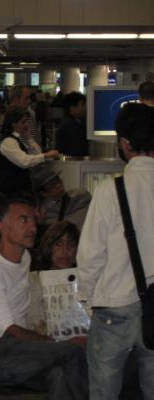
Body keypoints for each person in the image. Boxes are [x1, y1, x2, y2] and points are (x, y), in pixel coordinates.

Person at [0, 195, 88, 398]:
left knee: (58, 375)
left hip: (20, 352)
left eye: (33, 220)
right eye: (24, 220)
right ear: (2, 227)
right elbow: (10, 330)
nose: (32, 227)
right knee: (73, 351)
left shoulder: (25, 258)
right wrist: (57, 342)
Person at [77, 102, 154, 400]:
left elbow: (90, 255)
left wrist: (87, 299)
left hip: (114, 307)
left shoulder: (111, 190)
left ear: (124, 144)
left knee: (104, 391)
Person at [0, 107, 59, 195]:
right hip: (11, 191)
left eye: (27, 121)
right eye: (23, 122)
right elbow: (24, 161)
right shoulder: (8, 141)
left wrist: (29, 138)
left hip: (21, 188)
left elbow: (37, 153)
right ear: (14, 124)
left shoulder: (19, 139)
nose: (27, 125)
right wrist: (47, 155)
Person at [31, 165, 91, 230]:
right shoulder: (43, 214)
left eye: (58, 181)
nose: (58, 186)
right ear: (43, 193)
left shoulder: (81, 196)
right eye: (52, 185)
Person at [56, 92, 88, 157]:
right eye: (82, 104)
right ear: (72, 107)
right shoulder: (69, 125)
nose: (85, 108)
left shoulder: (76, 121)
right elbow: (77, 149)